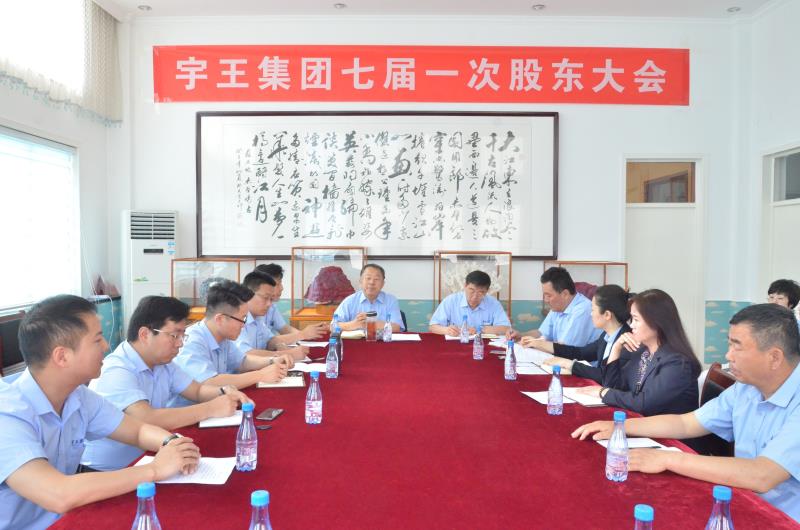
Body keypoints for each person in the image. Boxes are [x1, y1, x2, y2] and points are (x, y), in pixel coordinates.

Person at [572, 303, 800, 522]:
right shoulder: (746, 388)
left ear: (774, 357)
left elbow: (762, 475)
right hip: (743, 501)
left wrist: (668, 459)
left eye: (737, 347)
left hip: (784, 519)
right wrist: (621, 427)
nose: (728, 355)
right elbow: (686, 423)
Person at [0, 295, 200, 530]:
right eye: (97, 340)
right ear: (62, 356)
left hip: (68, 519)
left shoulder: (78, 395)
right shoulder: (7, 414)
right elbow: (58, 494)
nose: (106, 346)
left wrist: (172, 443)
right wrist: (155, 469)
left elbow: (138, 431)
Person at [81, 296, 252, 472]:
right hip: (109, 471)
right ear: (145, 334)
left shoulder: (162, 363)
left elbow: (197, 390)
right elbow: (147, 418)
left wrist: (223, 392)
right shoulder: (116, 370)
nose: (180, 343)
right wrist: (210, 408)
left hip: (150, 457)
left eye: (182, 335)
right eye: (174, 335)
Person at [572, 289, 701, 417]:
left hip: (667, 429)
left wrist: (603, 392)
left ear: (656, 323)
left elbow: (645, 404)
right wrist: (616, 348)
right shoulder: (643, 352)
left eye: (636, 319)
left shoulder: (678, 363)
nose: (631, 325)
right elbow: (613, 386)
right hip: (642, 423)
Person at [173, 280, 290, 403]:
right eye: (242, 319)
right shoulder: (192, 341)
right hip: (190, 411)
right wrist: (260, 375)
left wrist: (272, 360)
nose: (243, 325)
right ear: (220, 319)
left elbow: (242, 362)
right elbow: (208, 382)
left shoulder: (223, 336)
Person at [529, 284, 632, 384]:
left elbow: (606, 377)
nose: (590, 314)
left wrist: (569, 364)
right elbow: (580, 353)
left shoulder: (627, 341)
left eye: (593, 310)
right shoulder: (606, 336)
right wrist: (539, 344)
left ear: (607, 315)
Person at [512, 266, 601, 347]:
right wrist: (521, 335)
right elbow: (542, 333)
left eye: (549, 295)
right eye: (544, 295)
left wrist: (536, 343)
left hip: (578, 359)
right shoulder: (558, 307)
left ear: (565, 294)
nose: (546, 300)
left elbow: (565, 349)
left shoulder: (582, 311)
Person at [236, 271, 310, 360]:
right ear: (248, 294)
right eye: (265, 298)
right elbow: (245, 354)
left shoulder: (258, 318)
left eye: (271, 299)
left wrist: (278, 345)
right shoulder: (237, 318)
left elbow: (270, 340)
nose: (269, 304)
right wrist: (285, 354)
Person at [254, 263, 329, 344]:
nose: (282, 288)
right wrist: (303, 334)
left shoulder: (272, 307)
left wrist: (309, 334)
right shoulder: (248, 311)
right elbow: (268, 341)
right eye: (278, 284)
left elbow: (284, 329)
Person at [429, 270, 511, 336]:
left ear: (487, 291)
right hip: (454, 345)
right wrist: (447, 330)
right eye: (471, 290)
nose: (475, 297)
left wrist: (479, 329)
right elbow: (433, 326)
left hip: (482, 346)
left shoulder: (493, 304)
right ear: (465, 286)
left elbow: (506, 328)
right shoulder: (451, 301)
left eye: (481, 292)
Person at [333, 264, 404, 332]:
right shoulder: (350, 301)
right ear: (360, 281)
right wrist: (354, 324)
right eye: (368, 278)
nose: (371, 282)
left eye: (376, 279)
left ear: (382, 284)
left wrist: (370, 323)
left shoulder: (390, 300)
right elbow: (333, 326)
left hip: (382, 340)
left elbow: (397, 327)